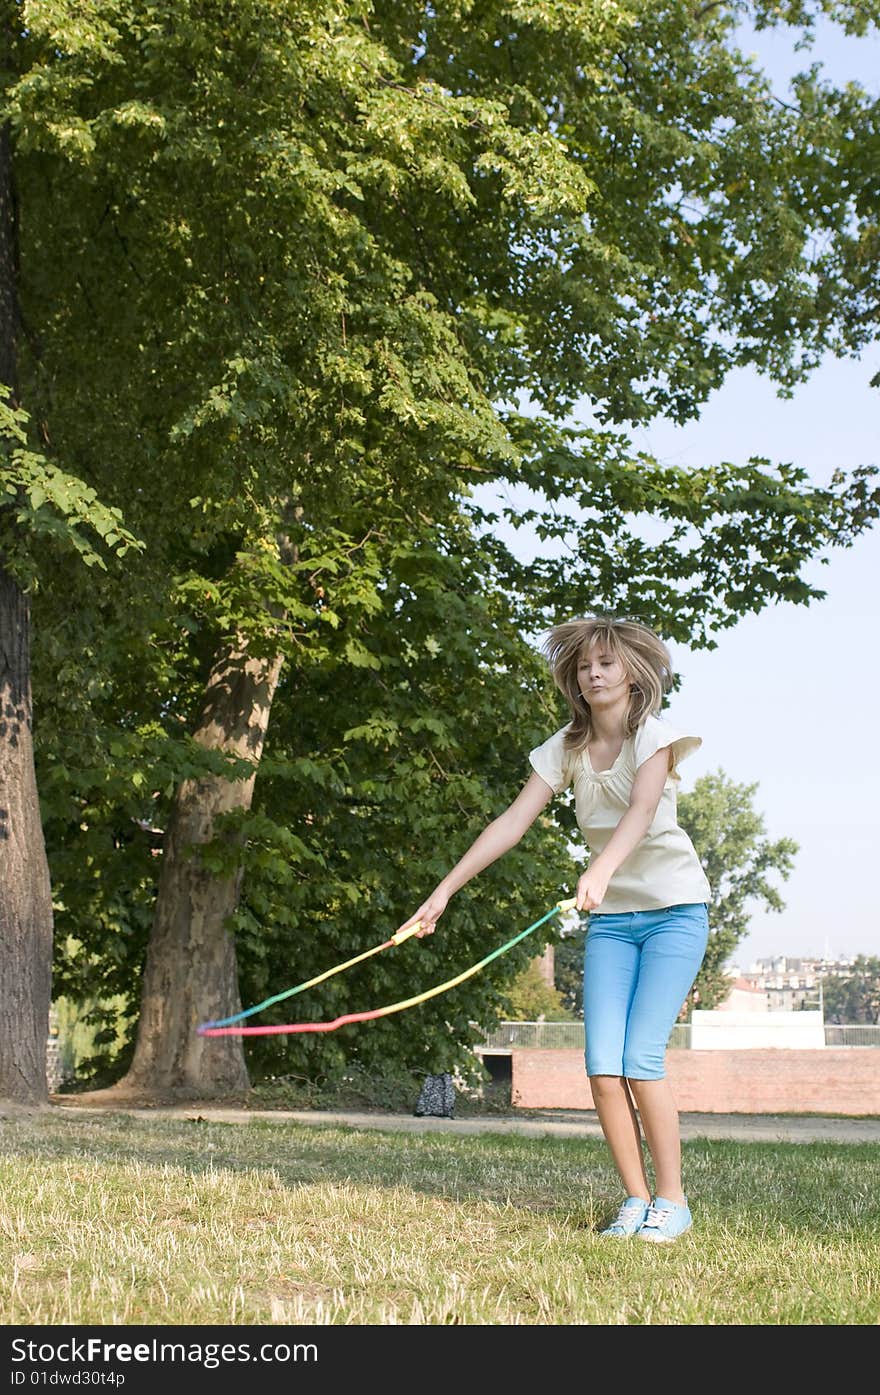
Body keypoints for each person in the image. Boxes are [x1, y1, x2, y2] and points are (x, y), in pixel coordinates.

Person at [397, 614, 711, 1243]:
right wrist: (443, 892)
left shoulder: (655, 737)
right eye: (584, 666)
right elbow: (512, 823)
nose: (594, 674)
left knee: (641, 1059)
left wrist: (602, 866)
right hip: (614, 925)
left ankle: (672, 1202)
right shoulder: (564, 748)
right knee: (601, 1065)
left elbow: (644, 811)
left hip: (675, 914)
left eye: (607, 663)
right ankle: (635, 1199)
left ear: (632, 671)